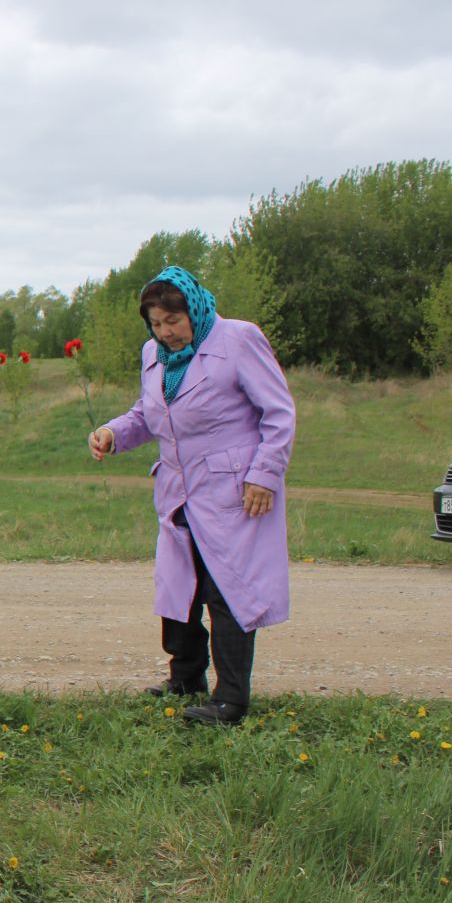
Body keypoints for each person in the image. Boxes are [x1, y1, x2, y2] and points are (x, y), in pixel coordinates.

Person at [88, 265, 296, 726]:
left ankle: (231, 699)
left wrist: (265, 474)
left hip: (236, 489)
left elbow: (278, 412)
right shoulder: (153, 353)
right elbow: (148, 413)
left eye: (173, 322)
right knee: (179, 586)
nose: (165, 333)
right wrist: (113, 432)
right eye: (156, 324)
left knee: (228, 591)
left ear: (194, 310)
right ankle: (186, 678)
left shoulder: (238, 339)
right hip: (179, 488)